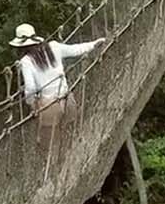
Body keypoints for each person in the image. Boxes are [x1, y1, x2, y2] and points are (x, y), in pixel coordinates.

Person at [9, 23, 106, 168]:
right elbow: (76, 49)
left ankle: (54, 176)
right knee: (67, 136)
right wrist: (94, 44)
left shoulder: (26, 62)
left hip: (49, 107)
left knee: (47, 147)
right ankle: (71, 167)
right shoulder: (54, 47)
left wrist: (32, 104)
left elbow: (30, 88)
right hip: (67, 100)